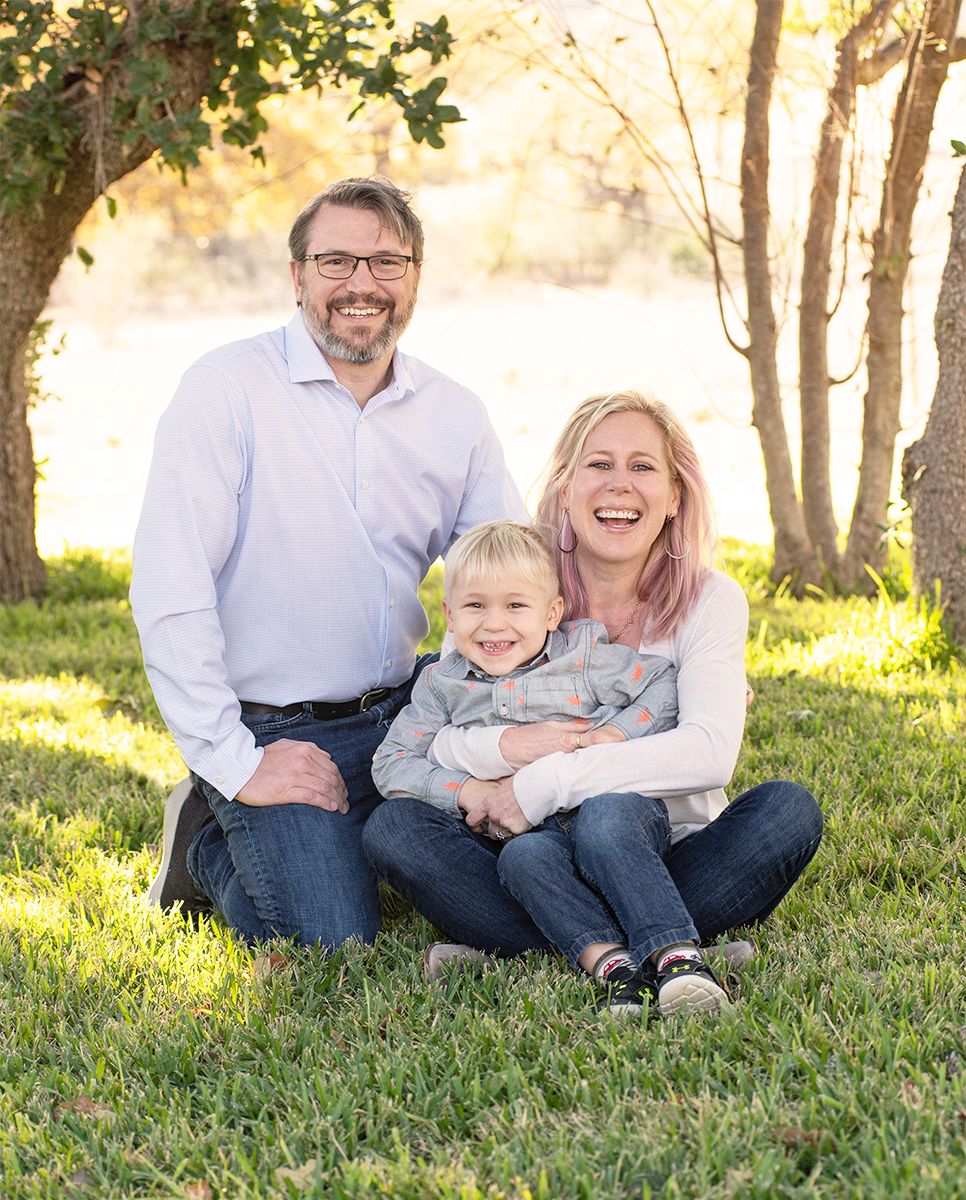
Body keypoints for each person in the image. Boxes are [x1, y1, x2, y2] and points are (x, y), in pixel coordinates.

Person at [131, 177, 525, 949]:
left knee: (522, 846)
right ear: (298, 275)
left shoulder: (455, 413)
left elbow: (517, 573)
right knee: (330, 939)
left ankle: (355, 825)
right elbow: (170, 588)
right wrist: (235, 761)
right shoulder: (225, 391)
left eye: (387, 263)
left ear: (414, 278)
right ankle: (209, 837)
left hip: (410, 711)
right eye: (336, 261)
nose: (362, 285)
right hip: (274, 726)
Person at [364, 389, 823, 1018]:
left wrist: (548, 777)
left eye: (643, 467)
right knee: (396, 830)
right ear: (565, 488)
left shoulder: (710, 600)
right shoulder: (517, 589)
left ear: (674, 497)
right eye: (599, 464)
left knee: (786, 812)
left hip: (660, 848)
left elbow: (710, 754)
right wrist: (502, 748)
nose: (620, 486)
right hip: (522, 852)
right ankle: (666, 949)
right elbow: (443, 719)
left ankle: (544, 948)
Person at [371, 519, 678, 815]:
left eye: (515, 606)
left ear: (551, 614)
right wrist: (467, 790)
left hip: (582, 812)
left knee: (539, 849)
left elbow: (662, 682)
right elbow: (390, 762)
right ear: (450, 616)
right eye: (475, 605)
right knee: (392, 824)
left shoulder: (579, 657)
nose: (493, 624)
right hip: (489, 819)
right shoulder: (442, 684)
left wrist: (615, 732)